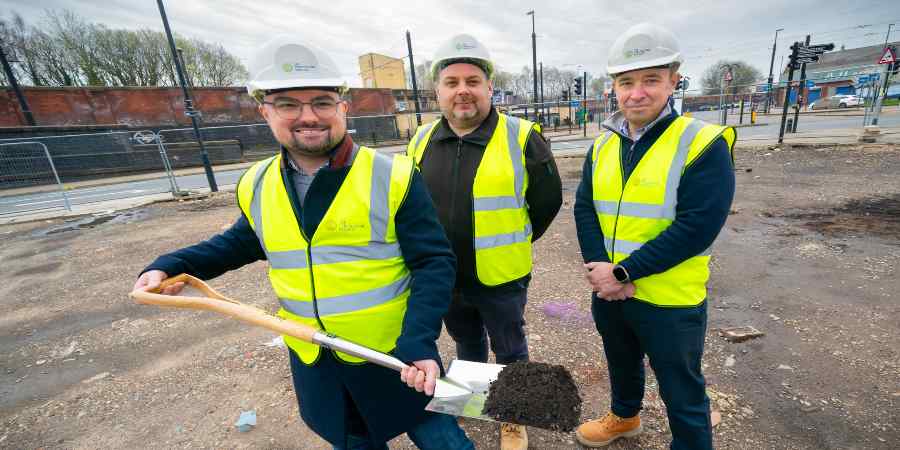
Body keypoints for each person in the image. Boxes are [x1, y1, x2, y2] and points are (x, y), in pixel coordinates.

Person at [132, 36, 473, 450]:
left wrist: (419, 340)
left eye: (322, 102)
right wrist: (167, 264)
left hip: (396, 353)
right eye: (288, 104)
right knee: (353, 441)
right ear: (265, 111)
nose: (307, 116)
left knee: (442, 439)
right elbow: (239, 243)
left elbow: (434, 262)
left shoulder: (393, 175)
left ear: (342, 108)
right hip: (316, 360)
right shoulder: (257, 182)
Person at [573, 23, 736, 449]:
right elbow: (585, 208)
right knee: (621, 363)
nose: (637, 93)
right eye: (627, 82)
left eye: (650, 80)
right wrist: (599, 272)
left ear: (673, 81)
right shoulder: (604, 144)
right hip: (610, 291)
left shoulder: (701, 142)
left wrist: (624, 272)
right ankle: (624, 418)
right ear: (615, 87)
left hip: (669, 299)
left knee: (681, 390)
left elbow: (696, 228)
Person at [406, 33, 562, 450]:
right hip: (446, 275)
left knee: (510, 346)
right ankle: (473, 399)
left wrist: (514, 240)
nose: (462, 90)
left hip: (501, 275)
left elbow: (547, 201)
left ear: (489, 87)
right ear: (437, 91)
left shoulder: (521, 136)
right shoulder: (421, 139)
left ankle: (514, 416)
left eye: (472, 81)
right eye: (451, 82)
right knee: (466, 341)